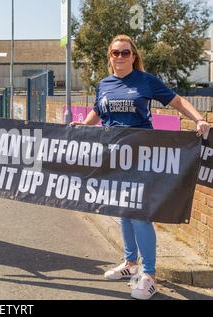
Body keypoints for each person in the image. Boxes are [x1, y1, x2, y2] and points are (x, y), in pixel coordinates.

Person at [70, 35, 210, 300]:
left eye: (125, 53)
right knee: (122, 210)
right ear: (109, 56)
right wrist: (84, 126)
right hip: (112, 156)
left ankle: (149, 275)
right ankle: (130, 263)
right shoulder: (104, 84)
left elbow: (178, 101)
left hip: (142, 155)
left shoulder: (147, 81)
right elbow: (97, 112)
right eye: (115, 53)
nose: (120, 57)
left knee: (138, 212)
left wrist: (199, 119)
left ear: (134, 56)